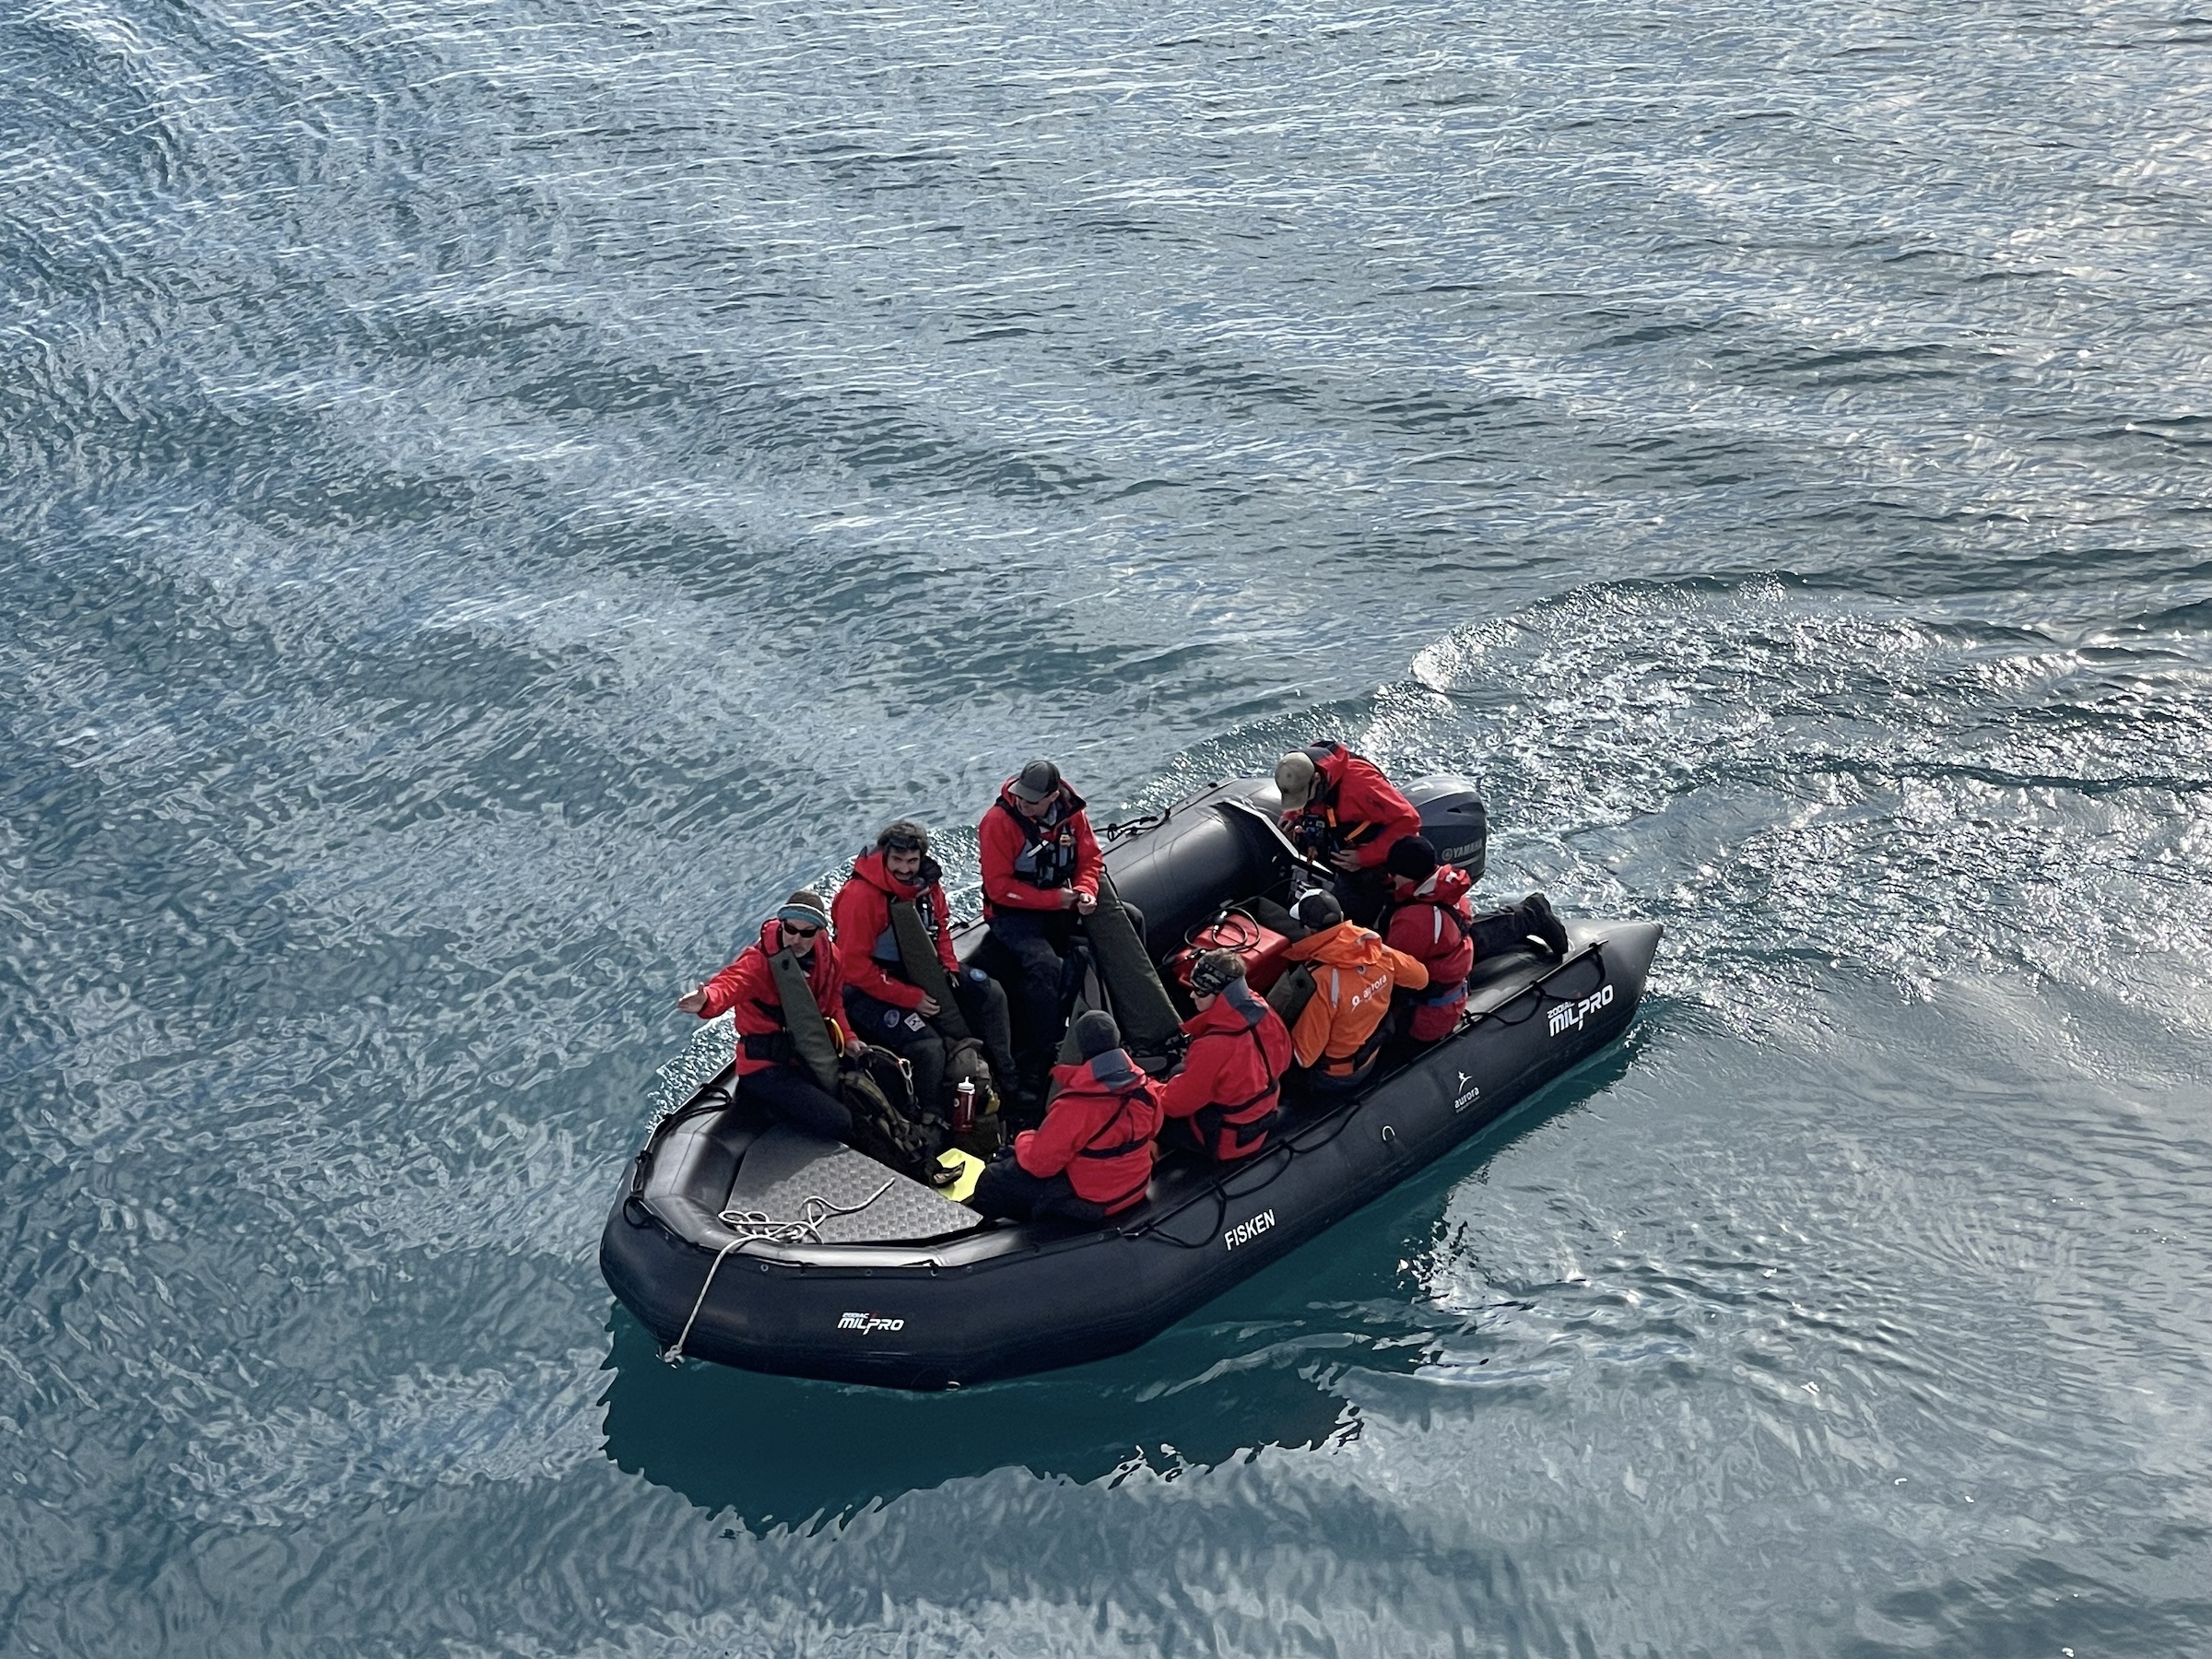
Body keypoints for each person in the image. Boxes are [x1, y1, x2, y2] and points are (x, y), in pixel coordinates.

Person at [833, 818, 1022, 1116]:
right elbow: (853, 967)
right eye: (897, 860)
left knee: (991, 993)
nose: (905, 869)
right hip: (867, 988)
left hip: (922, 969)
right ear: (884, 855)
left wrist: (947, 967)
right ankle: (930, 1116)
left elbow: (941, 927)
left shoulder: (927, 885)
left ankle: (1005, 1077)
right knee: (928, 1047)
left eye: (912, 860)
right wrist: (910, 998)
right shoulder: (861, 897)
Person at [676, 890, 865, 1142]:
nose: (796, 939)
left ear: (819, 933)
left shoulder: (830, 958)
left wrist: (849, 1037)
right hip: (765, 1068)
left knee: (863, 1090)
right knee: (838, 1120)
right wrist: (706, 1000)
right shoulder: (758, 962)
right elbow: (730, 984)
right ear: (782, 924)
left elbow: (833, 1004)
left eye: (806, 933)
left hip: (806, 1054)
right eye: (790, 929)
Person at [979, 759, 1108, 1084]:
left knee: (1126, 921)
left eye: (1032, 800)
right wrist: (1056, 900)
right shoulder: (998, 821)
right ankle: (1038, 1055)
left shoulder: (1072, 814)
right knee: (1046, 966)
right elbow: (999, 888)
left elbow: (1090, 859)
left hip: (1059, 903)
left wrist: (1085, 891)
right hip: (1012, 914)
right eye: (1021, 797)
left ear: (1052, 796)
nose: (1023, 803)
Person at [971, 1010, 1163, 1224]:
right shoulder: (1146, 1088)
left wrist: (1024, 1137)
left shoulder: (1077, 1105)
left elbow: (1040, 1165)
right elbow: (1153, 1129)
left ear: (1082, 1047)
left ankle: (978, 1238)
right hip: (1135, 1186)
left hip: (1097, 1200)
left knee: (993, 1178)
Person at [1378, 835, 1571, 1041]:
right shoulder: (1446, 887)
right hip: (1450, 952)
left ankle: (1532, 914)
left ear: (1409, 875)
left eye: (1395, 874)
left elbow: (1392, 971)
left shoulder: (1415, 921)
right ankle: (1530, 914)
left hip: (1429, 1003)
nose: (1391, 877)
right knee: (1470, 937)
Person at [1280, 890, 1429, 1095]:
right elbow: (1421, 979)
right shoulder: (1378, 951)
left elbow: (1304, 1057)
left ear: (1309, 930)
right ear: (1342, 917)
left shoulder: (1321, 981)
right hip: (1371, 1056)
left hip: (1335, 1077)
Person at [1158, 949, 1293, 1162]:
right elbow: (1284, 1061)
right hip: (1263, 1115)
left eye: (1200, 991)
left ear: (1220, 994)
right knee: (1180, 1073)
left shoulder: (1213, 1047)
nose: (1192, 994)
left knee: (1157, 1113)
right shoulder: (1264, 1011)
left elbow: (1175, 1104)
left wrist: (1149, 1088)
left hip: (1227, 1139)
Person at [1275, 743, 1423, 924]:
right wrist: (1291, 814)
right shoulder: (1299, 768)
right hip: (1337, 840)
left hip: (1368, 856)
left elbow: (1409, 821)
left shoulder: (1362, 785)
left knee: (1354, 911)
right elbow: (1308, 802)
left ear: (1316, 779)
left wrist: (1363, 858)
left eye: (1303, 798)